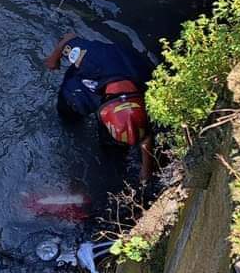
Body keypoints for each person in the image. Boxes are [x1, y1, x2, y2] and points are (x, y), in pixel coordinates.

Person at [44, 32, 156, 182]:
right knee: (69, 117)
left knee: (113, 149)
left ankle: (111, 153)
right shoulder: (89, 58)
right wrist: (54, 59)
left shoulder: (146, 78)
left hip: (110, 93)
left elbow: (145, 133)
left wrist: (146, 169)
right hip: (82, 90)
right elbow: (68, 38)